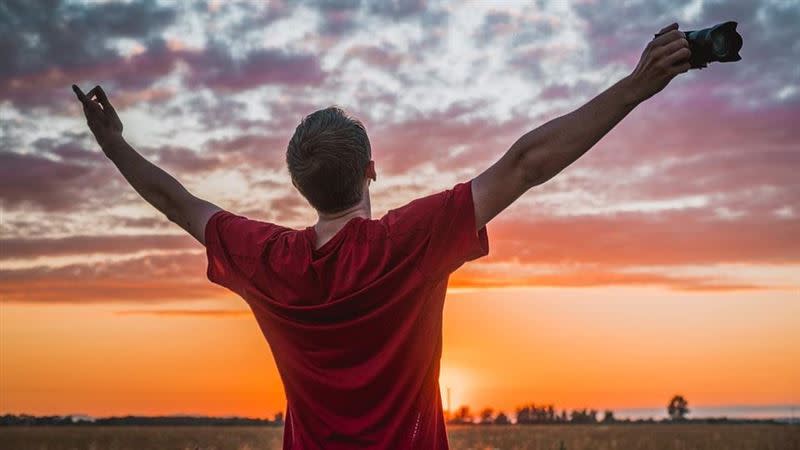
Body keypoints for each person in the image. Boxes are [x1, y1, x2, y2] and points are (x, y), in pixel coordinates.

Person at [72, 23, 691, 450]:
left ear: (298, 186)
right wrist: (637, 85)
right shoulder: (408, 242)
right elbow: (526, 163)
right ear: (371, 169)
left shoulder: (267, 260)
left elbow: (176, 201)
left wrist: (114, 144)